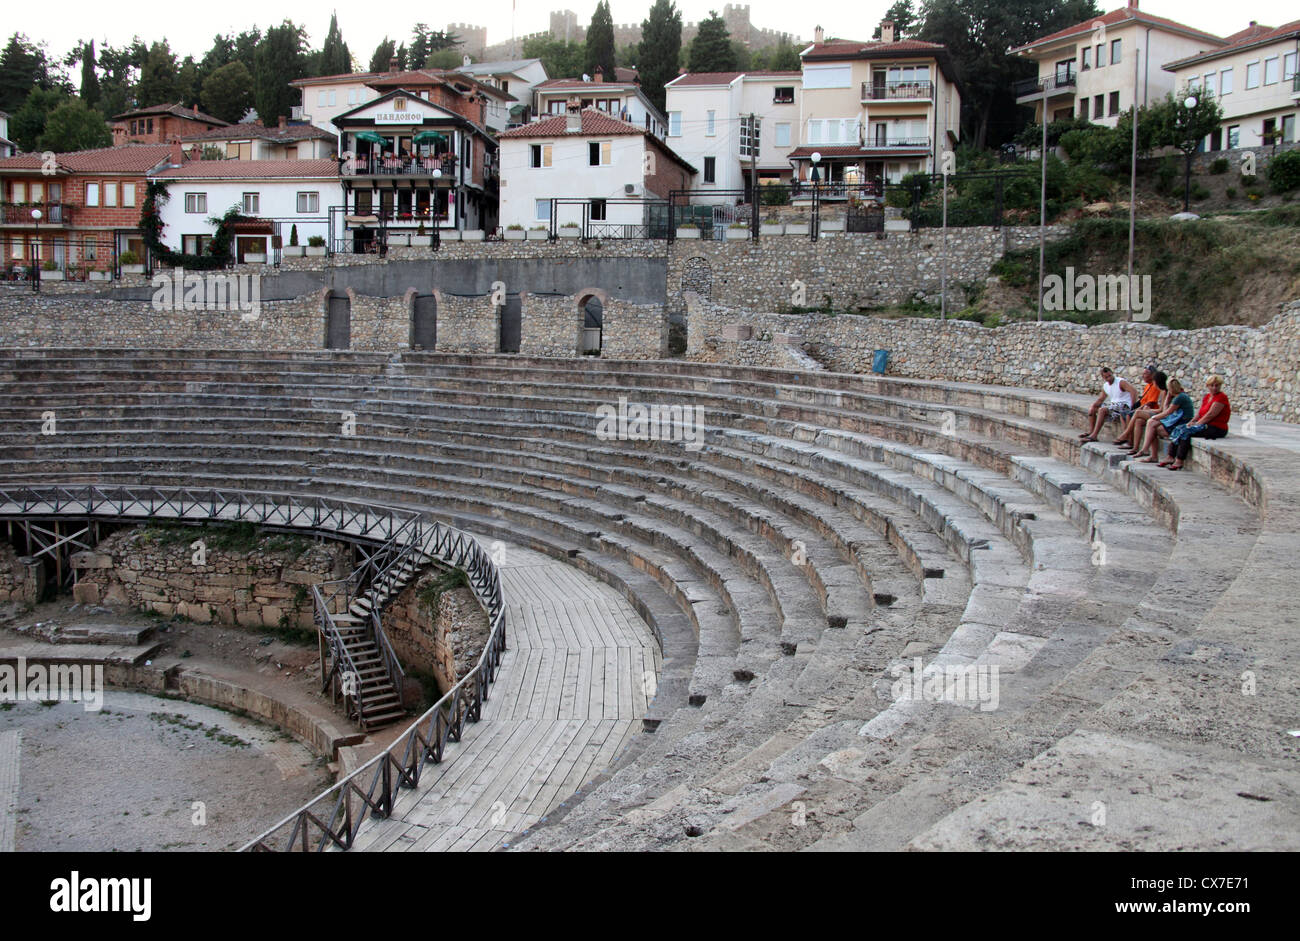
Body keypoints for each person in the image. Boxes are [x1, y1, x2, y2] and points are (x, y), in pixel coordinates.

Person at [1165, 375, 1231, 470]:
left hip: (1216, 428)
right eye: (1212, 385)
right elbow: (1200, 413)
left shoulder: (1221, 398)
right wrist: (1191, 422)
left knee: (1186, 432)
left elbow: (1211, 414)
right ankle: (1170, 456)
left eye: (1217, 385)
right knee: (1179, 428)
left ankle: (1179, 460)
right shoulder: (1207, 397)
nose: (1214, 388)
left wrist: (1196, 425)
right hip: (1205, 424)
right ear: (1208, 386)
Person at [1135, 378, 1193, 463]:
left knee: (1152, 424)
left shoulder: (1180, 397)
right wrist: (1168, 399)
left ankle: (1148, 451)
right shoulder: (1178, 396)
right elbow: (1166, 411)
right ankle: (1149, 452)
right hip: (1175, 420)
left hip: (1181, 423)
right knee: (1151, 424)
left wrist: (1153, 417)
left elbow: (1167, 413)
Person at [1081, 366, 1138, 443]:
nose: (1109, 378)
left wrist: (1133, 406)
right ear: (1103, 377)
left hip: (1124, 405)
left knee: (1102, 410)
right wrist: (1094, 406)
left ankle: (1094, 435)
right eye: (1106, 377)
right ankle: (1091, 431)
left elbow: (1133, 391)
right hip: (1114, 405)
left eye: (1110, 376)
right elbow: (1101, 399)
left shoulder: (1121, 382)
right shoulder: (1106, 386)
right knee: (1093, 409)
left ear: (1112, 373)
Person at [1115, 366, 1166, 450]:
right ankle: (1134, 446)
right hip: (1149, 410)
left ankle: (1127, 435)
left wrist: (1142, 410)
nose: (1143, 376)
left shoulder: (1159, 390)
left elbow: (1154, 405)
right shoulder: (1148, 386)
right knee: (1135, 419)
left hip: (1155, 412)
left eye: (1145, 373)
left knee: (1133, 414)